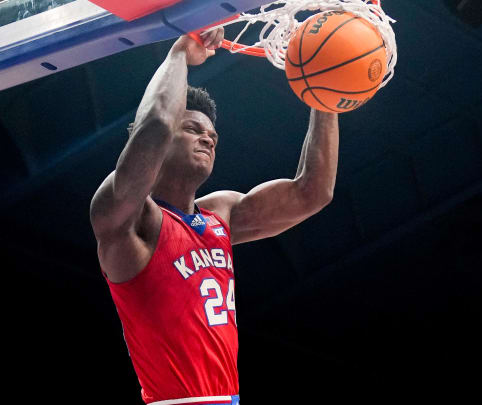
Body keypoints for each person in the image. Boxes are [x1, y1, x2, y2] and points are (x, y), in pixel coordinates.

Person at [89, 27, 338, 405]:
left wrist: (326, 97)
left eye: (212, 136)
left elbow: (313, 192)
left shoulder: (220, 213)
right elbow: (153, 126)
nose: (207, 139)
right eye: (192, 129)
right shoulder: (130, 218)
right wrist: (179, 55)